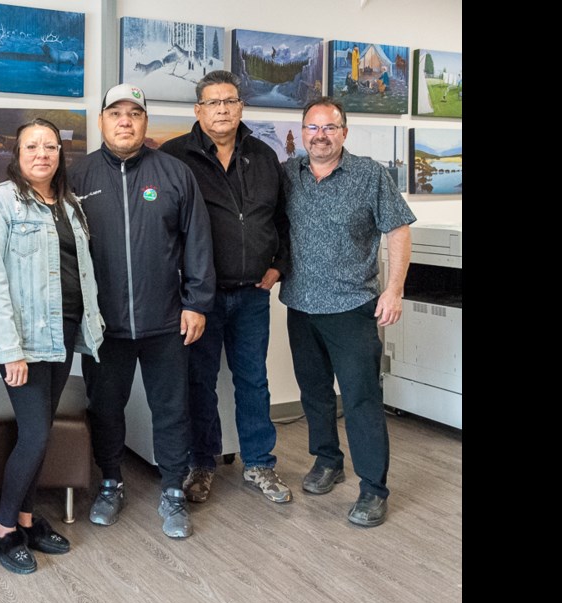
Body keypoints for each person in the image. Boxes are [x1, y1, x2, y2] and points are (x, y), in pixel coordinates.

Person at [69, 84, 215, 539]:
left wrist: (197, 303)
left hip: (166, 320)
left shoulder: (174, 174)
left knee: (171, 409)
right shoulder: (78, 177)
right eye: (116, 113)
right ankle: (111, 481)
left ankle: (173, 489)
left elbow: (197, 243)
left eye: (135, 113)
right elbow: (65, 254)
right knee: (106, 407)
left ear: (145, 122)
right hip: (103, 325)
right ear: (102, 121)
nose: (126, 121)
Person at [0, 119, 103, 573]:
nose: (42, 154)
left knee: (42, 428)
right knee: (35, 433)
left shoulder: (68, 204)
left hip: (63, 332)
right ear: (17, 152)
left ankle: (27, 519)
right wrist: (10, 350)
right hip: (24, 341)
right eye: (32, 146)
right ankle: (4, 529)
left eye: (50, 146)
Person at [281, 97, 415, 527]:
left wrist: (393, 291)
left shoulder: (369, 175)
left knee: (360, 400)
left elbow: (396, 230)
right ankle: (327, 461)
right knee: (315, 394)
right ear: (303, 133)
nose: (320, 136)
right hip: (300, 305)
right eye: (312, 128)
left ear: (344, 132)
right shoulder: (288, 175)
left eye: (329, 128)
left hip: (352, 307)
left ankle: (373, 489)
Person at [159, 70, 291, 505]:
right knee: (199, 381)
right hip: (200, 297)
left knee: (253, 380)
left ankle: (259, 464)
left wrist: (278, 266)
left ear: (241, 107)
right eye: (213, 102)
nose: (222, 109)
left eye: (229, 101)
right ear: (198, 110)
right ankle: (202, 463)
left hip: (253, 292)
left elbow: (282, 221)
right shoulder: (176, 157)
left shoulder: (264, 156)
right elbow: (165, 228)